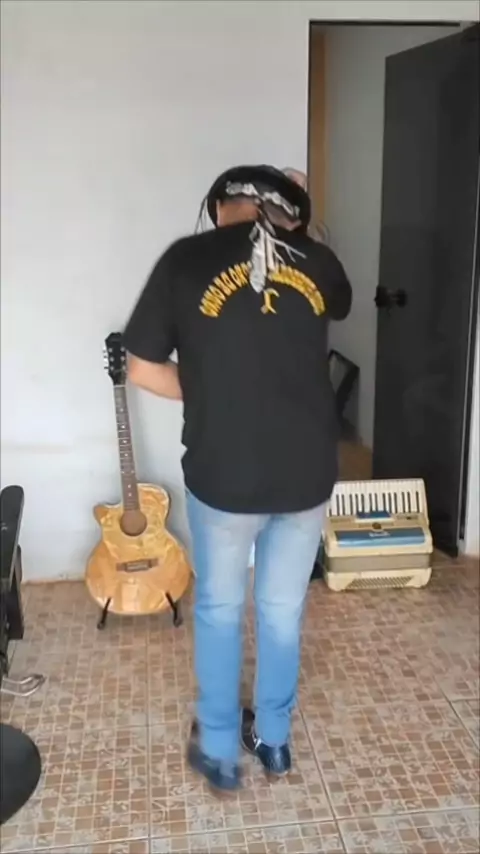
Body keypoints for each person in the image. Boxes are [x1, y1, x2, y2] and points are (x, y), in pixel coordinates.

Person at [123, 164, 352, 795]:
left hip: (223, 473)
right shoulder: (316, 261)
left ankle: (221, 750)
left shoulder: (185, 260)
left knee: (221, 609)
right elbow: (338, 298)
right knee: (281, 610)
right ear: (287, 210)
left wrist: (211, 392)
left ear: (218, 206)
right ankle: (274, 742)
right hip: (306, 474)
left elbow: (141, 368)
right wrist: (303, 227)